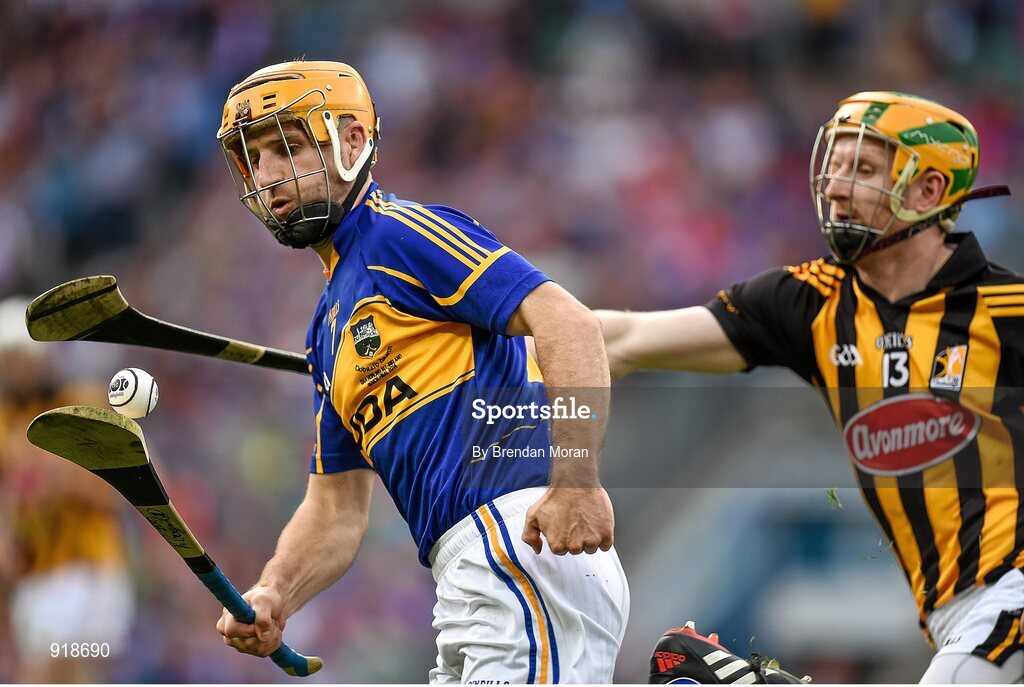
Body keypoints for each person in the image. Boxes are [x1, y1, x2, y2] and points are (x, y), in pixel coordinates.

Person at [213, 60, 629, 683]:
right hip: (462, 574)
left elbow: (569, 324)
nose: (270, 175)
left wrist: (574, 480)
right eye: (256, 159)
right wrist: (277, 591)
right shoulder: (327, 330)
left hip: (519, 540)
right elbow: (335, 510)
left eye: (288, 147)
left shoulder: (398, 235)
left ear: (352, 141)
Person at [598, 91, 1019, 683]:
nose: (837, 186)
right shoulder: (811, 302)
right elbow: (621, 340)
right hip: (954, 612)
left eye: (866, 170)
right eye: (837, 166)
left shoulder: (1009, 310)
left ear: (929, 192)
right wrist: (490, 306)